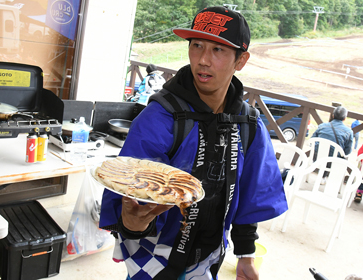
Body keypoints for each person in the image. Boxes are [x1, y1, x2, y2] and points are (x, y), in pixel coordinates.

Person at [99, 6, 287, 280]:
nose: (203, 60)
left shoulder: (248, 126)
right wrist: (133, 223)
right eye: (197, 45)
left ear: (241, 60)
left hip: (210, 256)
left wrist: (245, 256)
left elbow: (250, 195)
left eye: (218, 50)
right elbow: (129, 199)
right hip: (151, 256)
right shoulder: (160, 118)